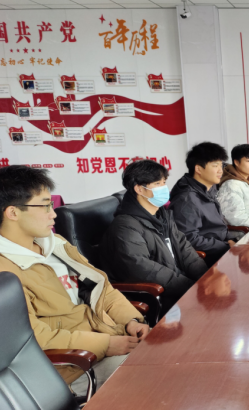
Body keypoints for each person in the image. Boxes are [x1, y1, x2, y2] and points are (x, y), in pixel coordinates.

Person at [0, 166, 148, 394]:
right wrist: (105, 345)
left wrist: (132, 321)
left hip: (108, 337)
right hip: (73, 368)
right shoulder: (6, 273)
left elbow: (102, 289)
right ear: (13, 212)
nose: (53, 214)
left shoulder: (55, 244)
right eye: (45, 206)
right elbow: (34, 338)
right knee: (156, 375)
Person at [99, 160, 209, 315]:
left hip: (178, 287)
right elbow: (141, 268)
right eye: (157, 183)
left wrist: (206, 278)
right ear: (139, 189)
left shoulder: (162, 215)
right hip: (158, 297)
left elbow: (184, 248)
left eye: (164, 182)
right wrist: (191, 287)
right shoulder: (125, 226)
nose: (164, 188)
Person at [170, 142, 238, 265]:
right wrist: (226, 246)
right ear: (198, 169)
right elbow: (189, 239)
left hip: (222, 248)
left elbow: (218, 227)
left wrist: (232, 240)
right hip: (208, 258)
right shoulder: (186, 198)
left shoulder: (208, 189)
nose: (220, 170)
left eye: (221, 165)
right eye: (215, 166)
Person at [217, 144, 249, 229]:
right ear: (237, 162)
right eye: (248, 161)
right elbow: (236, 218)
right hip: (243, 232)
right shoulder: (231, 185)